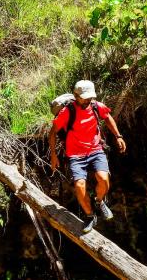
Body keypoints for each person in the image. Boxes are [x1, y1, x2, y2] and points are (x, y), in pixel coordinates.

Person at [49, 80, 127, 233]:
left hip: (95, 150)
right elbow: (52, 133)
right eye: (83, 97)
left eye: (89, 97)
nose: (87, 100)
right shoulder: (67, 112)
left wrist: (118, 136)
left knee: (104, 179)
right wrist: (53, 155)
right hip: (75, 155)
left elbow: (108, 117)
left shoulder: (96, 106)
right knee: (79, 186)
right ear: (76, 96)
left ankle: (99, 202)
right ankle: (90, 216)